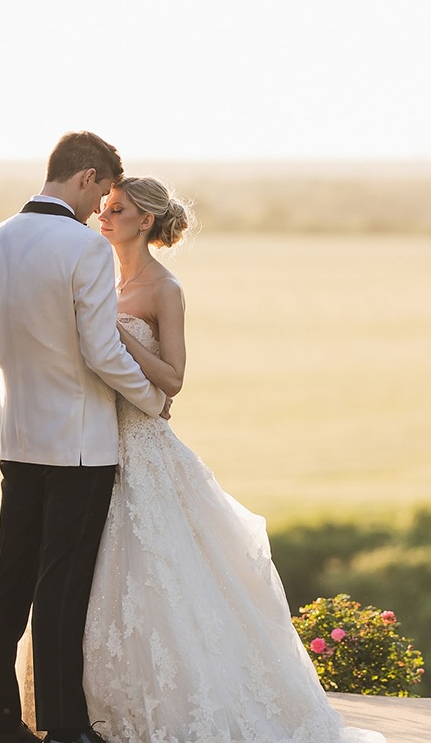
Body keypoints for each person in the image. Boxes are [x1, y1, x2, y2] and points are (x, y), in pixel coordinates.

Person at [81, 176, 386, 743]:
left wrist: (120, 342)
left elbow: (173, 379)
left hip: (143, 446)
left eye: (116, 210)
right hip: (94, 441)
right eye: (103, 208)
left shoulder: (163, 288)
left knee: (158, 576)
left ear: (144, 220)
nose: (104, 217)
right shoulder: (98, 275)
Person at [0, 134, 167, 743]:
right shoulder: (83, 248)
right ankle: (67, 730)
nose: (101, 208)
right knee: (61, 586)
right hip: (78, 443)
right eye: (101, 193)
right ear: (87, 176)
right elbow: (101, 351)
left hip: (15, 437)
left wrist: (28, 343)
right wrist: (153, 401)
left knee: (8, 575)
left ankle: (0, 722)